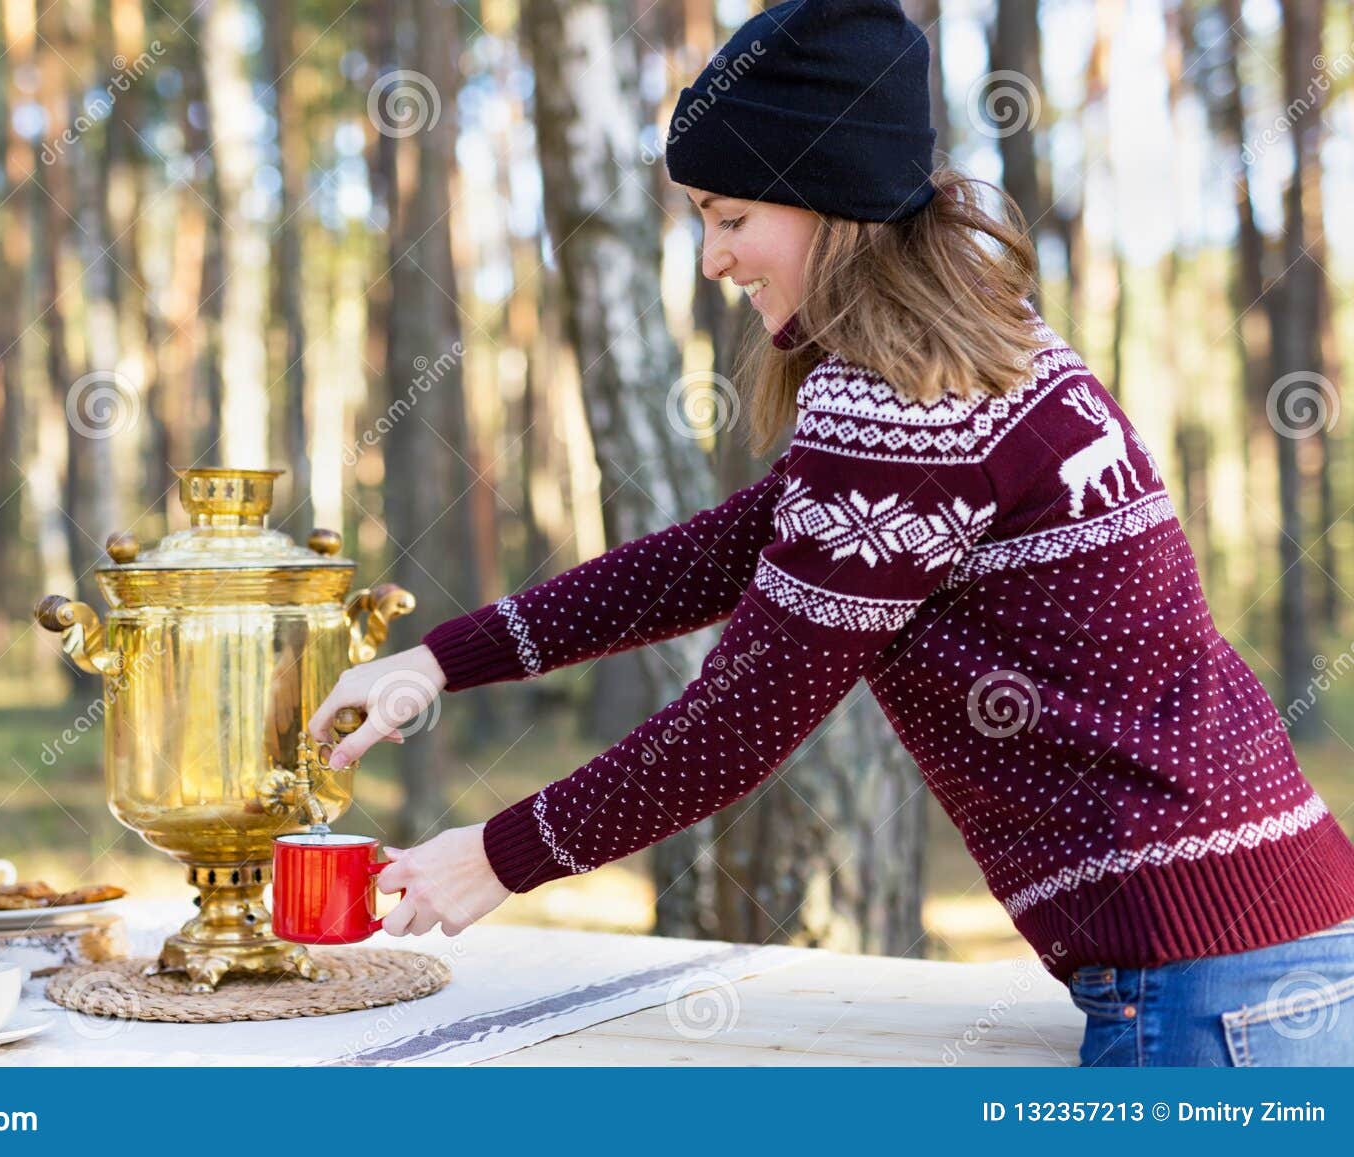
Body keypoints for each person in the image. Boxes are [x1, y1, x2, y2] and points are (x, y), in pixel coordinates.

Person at [307, 0, 1354, 1067]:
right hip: (1272, 940)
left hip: (1205, 985)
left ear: (828, 201)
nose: (715, 260)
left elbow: (742, 716)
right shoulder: (980, 356)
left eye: (730, 217)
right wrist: (439, 659)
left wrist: (493, 858)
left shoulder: (903, 409)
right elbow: (721, 552)